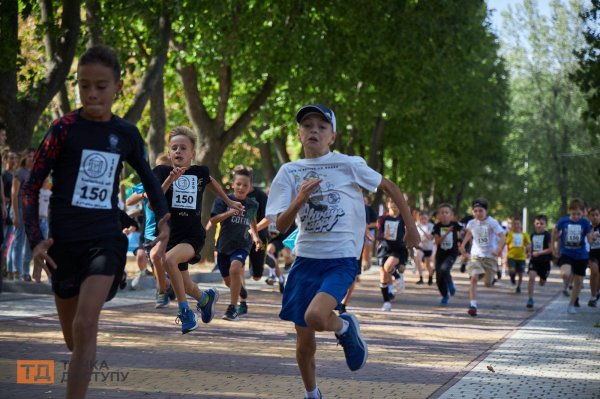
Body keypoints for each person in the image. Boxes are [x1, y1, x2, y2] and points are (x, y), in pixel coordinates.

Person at [21, 45, 171, 399]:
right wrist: (35, 239)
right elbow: (30, 188)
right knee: (75, 339)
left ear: (117, 87)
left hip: (105, 239)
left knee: (86, 324)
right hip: (63, 245)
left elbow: (150, 180)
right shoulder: (63, 129)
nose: (91, 93)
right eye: (83, 85)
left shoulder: (127, 134)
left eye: (100, 86)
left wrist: (164, 219)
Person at [265, 104, 419, 399]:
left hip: (340, 259)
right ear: (299, 133)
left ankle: (345, 326)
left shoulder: (348, 164)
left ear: (332, 136)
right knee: (303, 343)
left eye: (322, 126)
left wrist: (411, 228)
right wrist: (299, 199)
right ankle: (313, 394)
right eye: (307, 125)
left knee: (316, 316)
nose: (314, 130)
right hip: (305, 260)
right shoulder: (289, 172)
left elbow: (390, 187)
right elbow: (280, 225)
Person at [152, 126, 243, 333]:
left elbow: (211, 182)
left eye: (183, 148)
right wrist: (169, 181)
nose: (178, 151)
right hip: (172, 237)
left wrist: (229, 201)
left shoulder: (199, 173)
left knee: (168, 260)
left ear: (192, 153)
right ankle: (205, 298)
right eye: (174, 148)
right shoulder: (161, 172)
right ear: (169, 153)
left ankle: (186, 314)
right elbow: (152, 204)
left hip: (192, 235)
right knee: (186, 285)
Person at [209, 165, 261, 320]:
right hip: (224, 245)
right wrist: (230, 211)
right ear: (233, 184)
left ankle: (232, 308)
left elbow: (252, 218)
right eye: (238, 184)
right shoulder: (223, 200)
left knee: (236, 269)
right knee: (227, 280)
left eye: (245, 185)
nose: (241, 187)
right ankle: (240, 290)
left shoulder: (252, 204)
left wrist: (256, 236)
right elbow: (213, 219)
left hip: (242, 244)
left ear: (250, 187)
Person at [126, 153, 175, 305]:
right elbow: (129, 201)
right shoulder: (148, 183)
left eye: (166, 169)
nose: (161, 172)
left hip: (170, 231)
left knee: (163, 261)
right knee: (156, 267)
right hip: (150, 233)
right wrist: (142, 194)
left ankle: (162, 292)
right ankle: (167, 287)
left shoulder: (175, 184)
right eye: (158, 169)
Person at [459, 198, 505, 317]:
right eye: (475, 211)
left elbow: (502, 236)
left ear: (486, 211)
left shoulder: (492, 222)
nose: (478, 213)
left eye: (480, 211)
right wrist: (463, 245)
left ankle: (489, 277)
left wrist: (498, 249)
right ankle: (473, 305)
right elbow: (469, 234)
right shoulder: (471, 223)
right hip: (476, 255)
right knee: (473, 278)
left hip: (490, 257)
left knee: (487, 284)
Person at [552, 199, 594, 314]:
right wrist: (554, 249)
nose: (576, 216)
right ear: (569, 211)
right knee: (564, 273)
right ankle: (567, 283)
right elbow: (554, 233)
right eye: (573, 213)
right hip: (566, 253)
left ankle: (571, 304)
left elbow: (590, 240)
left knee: (579, 282)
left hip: (581, 255)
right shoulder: (563, 221)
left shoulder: (585, 223)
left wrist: (593, 237)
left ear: (583, 213)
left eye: (579, 214)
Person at [377, 196, 409, 311]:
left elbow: (409, 235)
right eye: (391, 201)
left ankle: (397, 276)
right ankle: (386, 302)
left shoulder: (404, 218)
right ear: (387, 204)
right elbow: (378, 234)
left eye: (397, 201)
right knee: (383, 277)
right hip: (384, 248)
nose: (394, 204)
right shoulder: (382, 218)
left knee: (388, 266)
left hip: (398, 249)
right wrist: (382, 236)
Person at [9, 148, 35, 281]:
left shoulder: (34, 173)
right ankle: (16, 271)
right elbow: (14, 193)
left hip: (30, 211)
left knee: (29, 242)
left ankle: (25, 271)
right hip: (19, 209)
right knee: (18, 240)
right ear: (25, 158)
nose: (32, 158)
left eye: (33, 156)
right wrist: (15, 214)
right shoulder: (19, 173)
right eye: (29, 156)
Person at [432, 203, 462, 305]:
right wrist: (447, 233)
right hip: (440, 254)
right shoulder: (437, 226)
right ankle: (445, 295)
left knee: (445, 269)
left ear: (451, 215)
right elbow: (437, 242)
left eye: (447, 212)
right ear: (438, 215)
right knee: (439, 278)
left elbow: (466, 231)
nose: (444, 215)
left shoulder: (455, 225)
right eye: (442, 213)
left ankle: (450, 284)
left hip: (452, 253)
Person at [526, 214, 553, 309]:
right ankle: (530, 299)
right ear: (534, 224)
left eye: (541, 223)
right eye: (537, 223)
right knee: (531, 277)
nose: (539, 225)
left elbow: (551, 249)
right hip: (534, 260)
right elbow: (530, 247)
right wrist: (529, 253)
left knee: (542, 282)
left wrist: (540, 253)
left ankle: (543, 279)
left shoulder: (547, 235)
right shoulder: (532, 234)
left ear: (545, 225)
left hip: (545, 261)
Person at [505, 218, 531, 294]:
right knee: (512, 270)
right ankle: (512, 277)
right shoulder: (510, 234)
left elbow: (528, 244)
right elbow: (506, 243)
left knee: (520, 273)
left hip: (521, 257)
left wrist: (529, 252)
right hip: (511, 256)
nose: (516, 226)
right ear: (512, 226)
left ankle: (518, 286)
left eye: (518, 224)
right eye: (515, 224)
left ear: (521, 225)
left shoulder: (524, 235)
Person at [415, 210, 435, 285]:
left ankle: (430, 277)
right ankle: (421, 278)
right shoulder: (416, 225)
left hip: (428, 247)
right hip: (420, 246)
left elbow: (429, 237)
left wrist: (421, 229)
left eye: (425, 218)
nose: (423, 220)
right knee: (417, 259)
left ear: (428, 218)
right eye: (421, 218)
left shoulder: (431, 226)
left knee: (427, 265)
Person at [588, 207, 600, 307]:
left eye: (597, 215)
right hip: (592, 253)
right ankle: (593, 296)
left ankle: (597, 291)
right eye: (593, 215)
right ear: (589, 217)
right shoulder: (587, 227)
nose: (595, 217)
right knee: (594, 271)